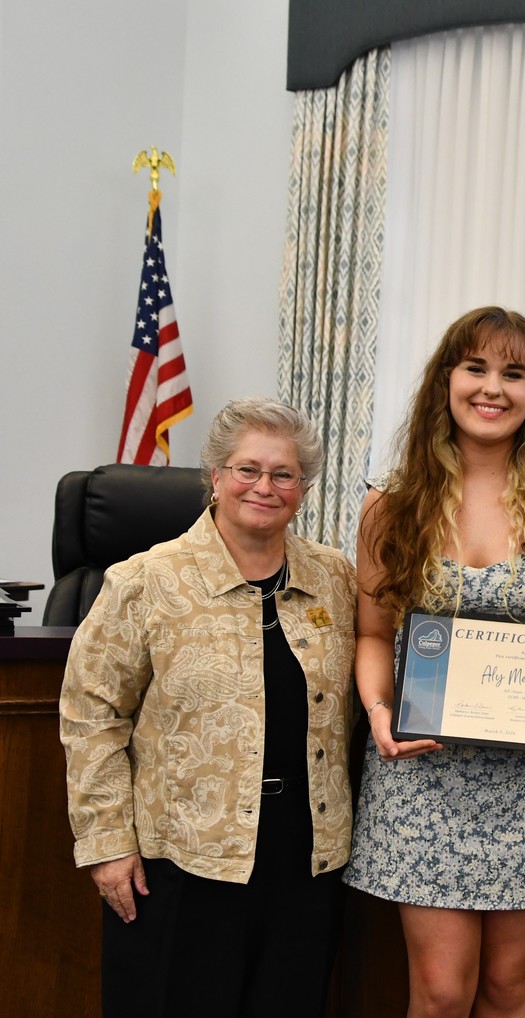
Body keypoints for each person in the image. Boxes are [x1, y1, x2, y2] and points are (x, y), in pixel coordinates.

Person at [342, 307, 525, 1018]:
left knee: (506, 991)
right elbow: (371, 634)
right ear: (446, 380)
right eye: (476, 368)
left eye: (514, 373)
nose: (493, 387)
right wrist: (378, 711)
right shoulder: (391, 502)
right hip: (423, 771)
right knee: (437, 994)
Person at [59, 397, 357, 1018]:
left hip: (305, 859)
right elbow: (91, 715)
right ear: (215, 476)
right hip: (182, 861)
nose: (265, 487)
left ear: (303, 488)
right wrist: (108, 843)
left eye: (285, 474)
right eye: (248, 469)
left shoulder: (335, 579)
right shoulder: (145, 580)